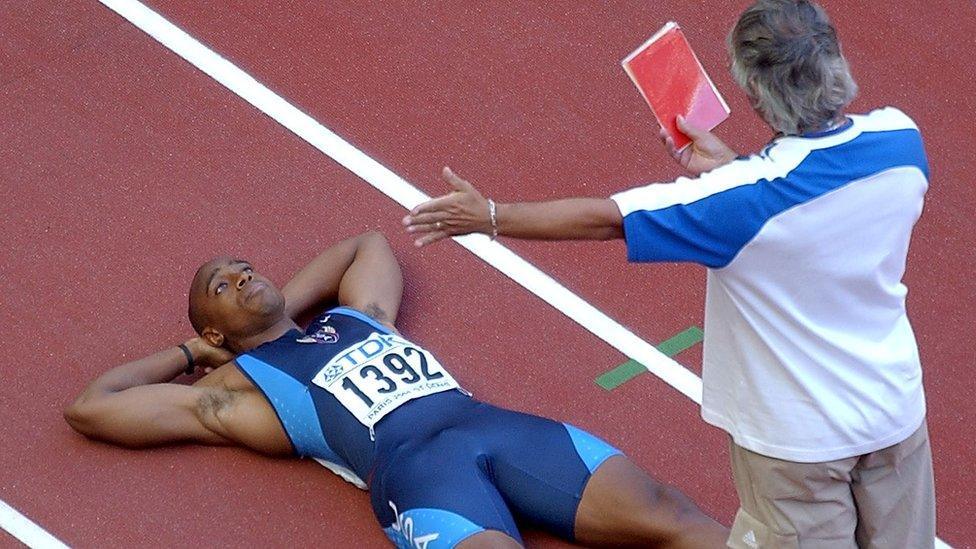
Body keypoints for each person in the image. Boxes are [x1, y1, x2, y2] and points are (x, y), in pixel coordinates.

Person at [402, 1, 935, 547]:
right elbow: (811, 206)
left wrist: (491, 216)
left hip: (798, 444)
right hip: (895, 413)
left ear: (756, 95)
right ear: (834, 60)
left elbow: (606, 220)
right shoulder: (902, 141)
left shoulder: (738, 203)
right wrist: (735, 170)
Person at [63, 231, 727, 548]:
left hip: (493, 426)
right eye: (224, 286)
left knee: (667, 512)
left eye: (245, 267)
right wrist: (197, 351)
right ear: (214, 326)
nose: (242, 277)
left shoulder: (357, 318)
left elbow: (365, 245)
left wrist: (280, 318)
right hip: (420, 476)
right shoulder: (240, 389)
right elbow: (92, 408)